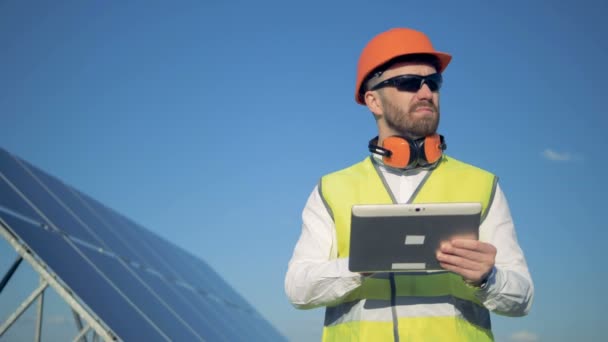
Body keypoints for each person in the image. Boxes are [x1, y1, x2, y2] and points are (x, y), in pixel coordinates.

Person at [284, 28, 534, 341]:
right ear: (373, 101)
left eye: (434, 82)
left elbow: (522, 297)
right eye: (408, 83)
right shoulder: (331, 190)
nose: (426, 92)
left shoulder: (482, 185)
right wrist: (358, 265)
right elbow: (298, 289)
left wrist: (488, 278)